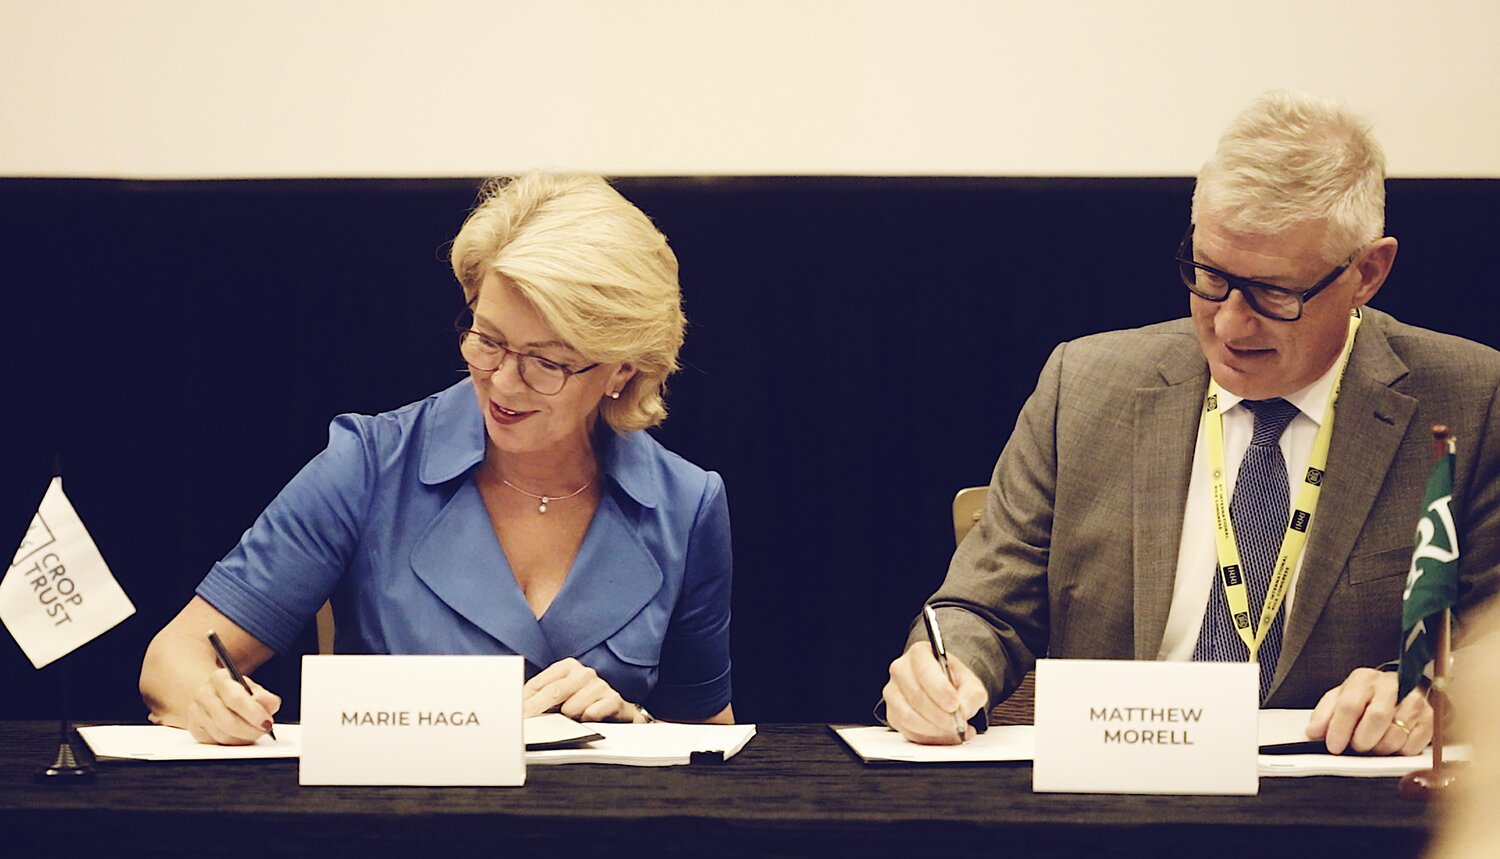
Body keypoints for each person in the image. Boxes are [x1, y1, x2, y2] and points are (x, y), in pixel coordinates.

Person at [883, 91, 1500, 750]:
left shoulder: (1470, 399)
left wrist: (1429, 693)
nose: (1230, 323)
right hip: (1120, 801)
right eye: (1209, 275)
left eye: (1275, 292)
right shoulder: (1085, 386)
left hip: (1341, 803)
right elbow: (984, 606)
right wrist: (946, 670)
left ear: (1368, 272)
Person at [141, 173, 734, 744]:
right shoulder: (371, 464)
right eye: (488, 339)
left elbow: (707, 741)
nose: (503, 381)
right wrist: (209, 699)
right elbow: (174, 657)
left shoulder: (686, 503)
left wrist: (634, 726)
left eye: (546, 361)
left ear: (621, 369)